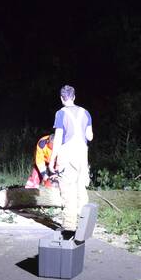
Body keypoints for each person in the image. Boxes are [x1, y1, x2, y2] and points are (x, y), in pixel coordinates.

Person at [48, 84, 93, 239]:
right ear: (74, 97)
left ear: (62, 98)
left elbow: (59, 138)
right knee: (81, 190)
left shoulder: (61, 113)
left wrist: (52, 159)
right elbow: (90, 136)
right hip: (82, 154)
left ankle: (69, 227)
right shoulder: (85, 112)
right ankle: (84, 226)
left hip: (67, 154)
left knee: (68, 190)